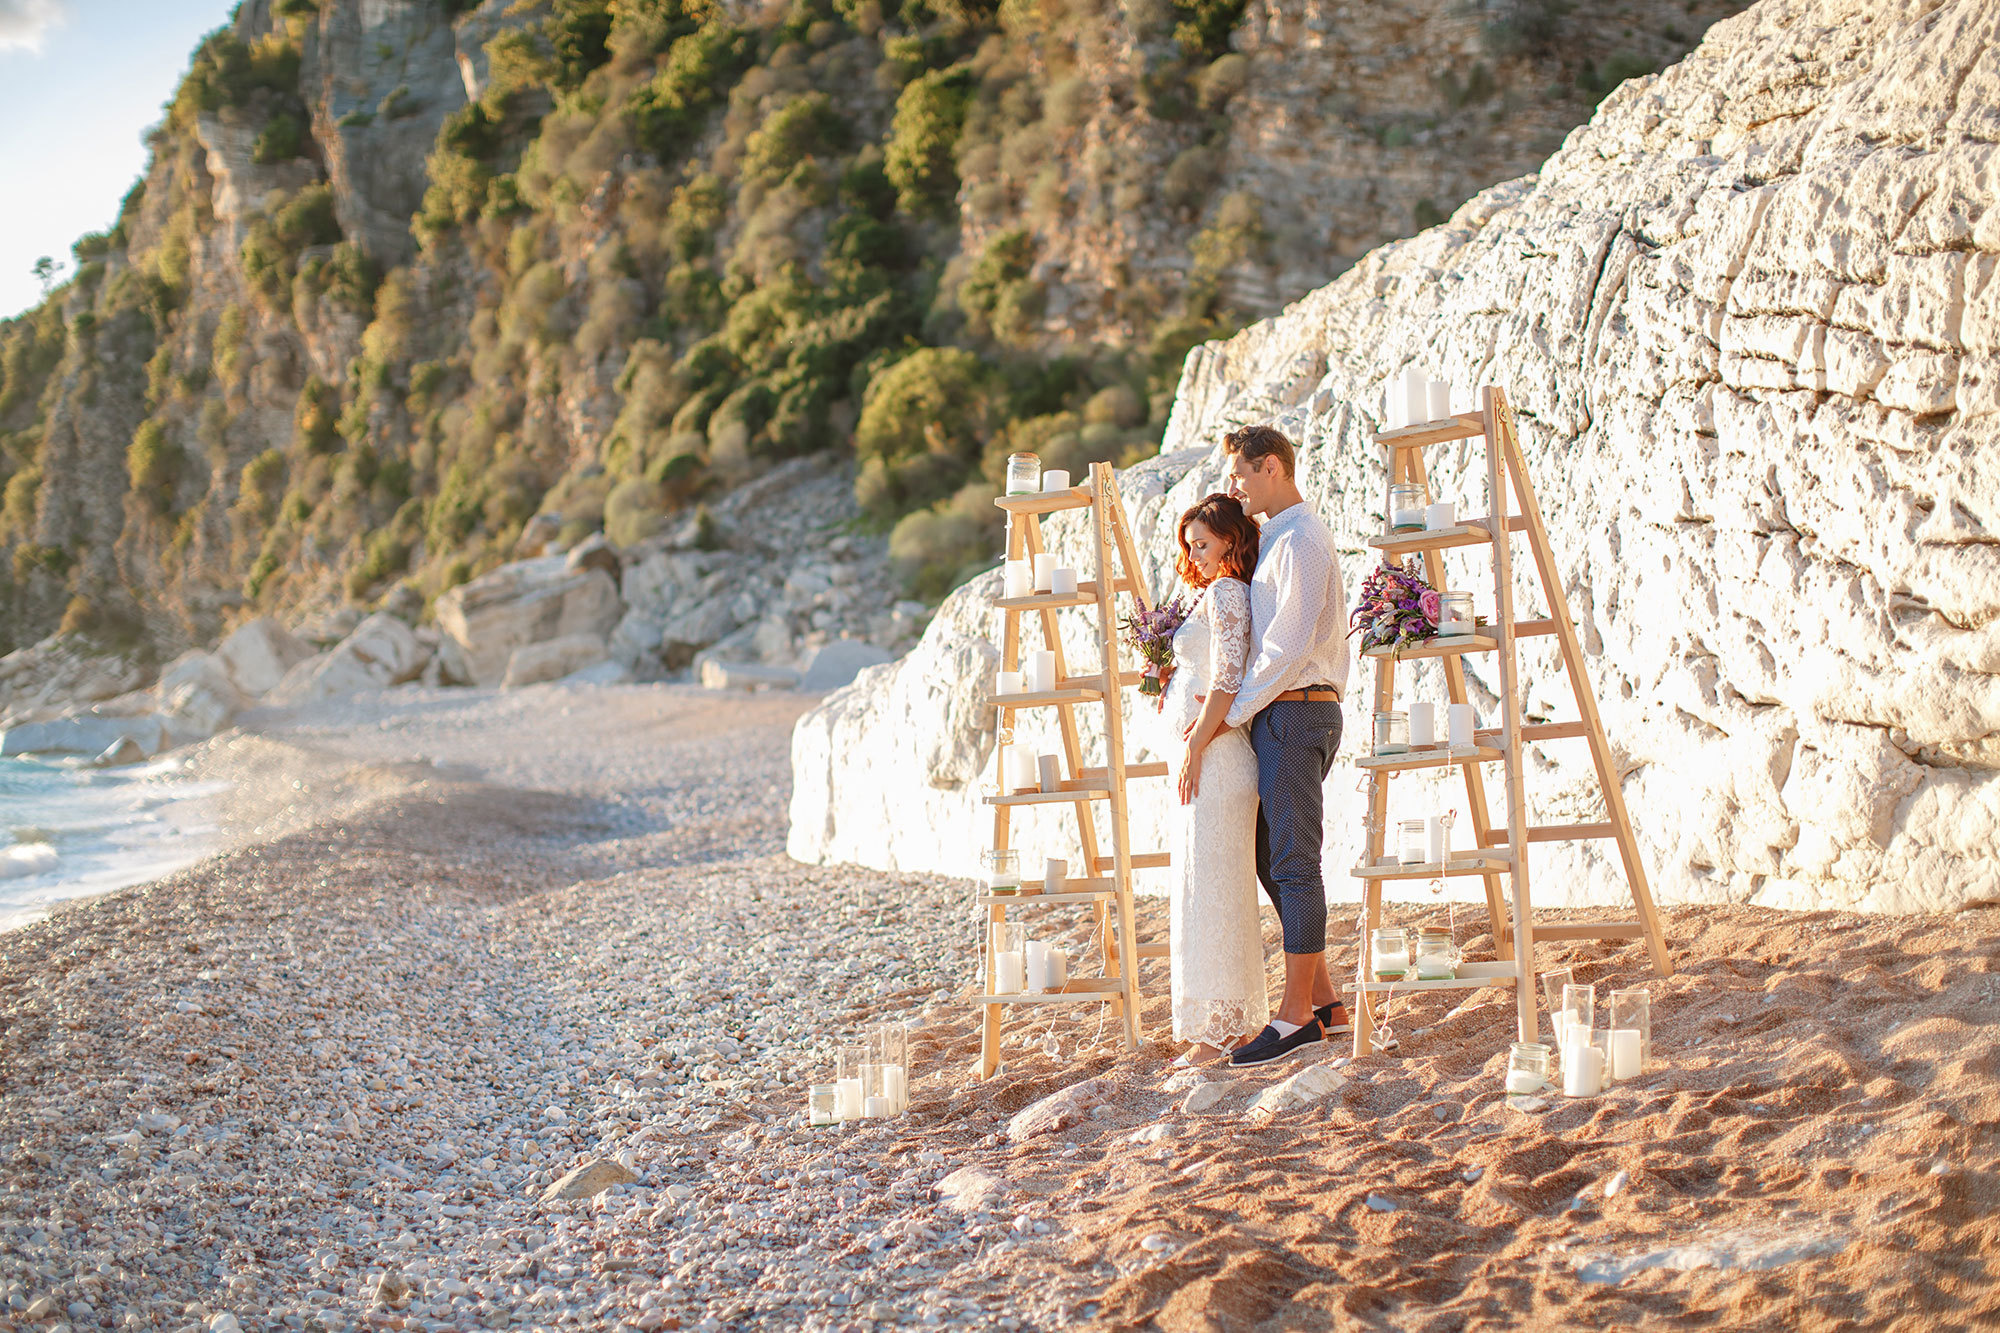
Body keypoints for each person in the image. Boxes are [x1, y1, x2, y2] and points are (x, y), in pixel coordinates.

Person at [1191, 423, 1352, 1067]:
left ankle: (1294, 1017)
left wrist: (1229, 715)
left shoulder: (1303, 539)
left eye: (1240, 473)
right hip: (1283, 714)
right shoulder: (1279, 538)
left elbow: (1285, 649)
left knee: (1293, 864)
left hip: (1297, 712)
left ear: (1272, 468)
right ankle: (1328, 1004)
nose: (1233, 486)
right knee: (1270, 859)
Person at [1156, 493, 1269, 1063]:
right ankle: (1224, 1023)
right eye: (1190, 545)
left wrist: (1196, 745)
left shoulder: (1226, 592)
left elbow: (1226, 679)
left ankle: (1219, 1032)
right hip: (1212, 756)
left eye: (1202, 543)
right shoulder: (1219, 592)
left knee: (1212, 892)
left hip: (1218, 761)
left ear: (1229, 540)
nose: (1195, 554)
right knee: (1210, 888)